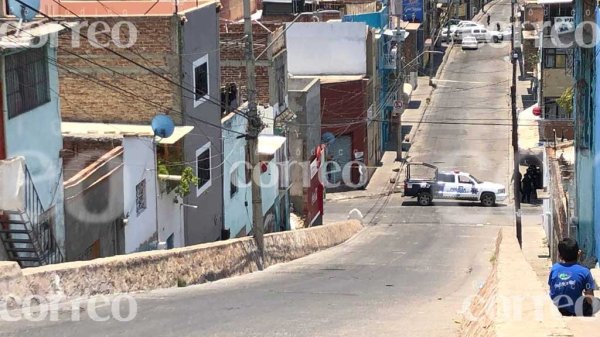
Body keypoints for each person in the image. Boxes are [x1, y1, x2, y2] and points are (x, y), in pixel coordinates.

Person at [548, 238, 596, 316]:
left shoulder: (554, 269)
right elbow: (590, 298)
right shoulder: (584, 272)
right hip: (575, 310)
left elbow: (552, 287)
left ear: (560, 256)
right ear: (578, 253)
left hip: (557, 309)